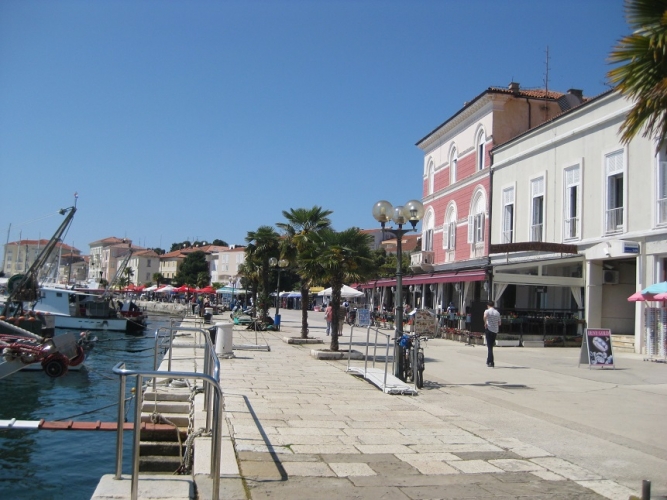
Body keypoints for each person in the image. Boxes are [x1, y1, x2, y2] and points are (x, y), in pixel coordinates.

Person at [483, 300, 501, 367]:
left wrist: (485, 323)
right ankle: (488, 360)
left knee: (489, 346)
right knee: (491, 346)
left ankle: (491, 361)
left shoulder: (487, 311)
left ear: (488, 305)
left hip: (489, 329)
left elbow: (485, 316)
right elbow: (499, 323)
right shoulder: (497, 313)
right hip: (495, 330)